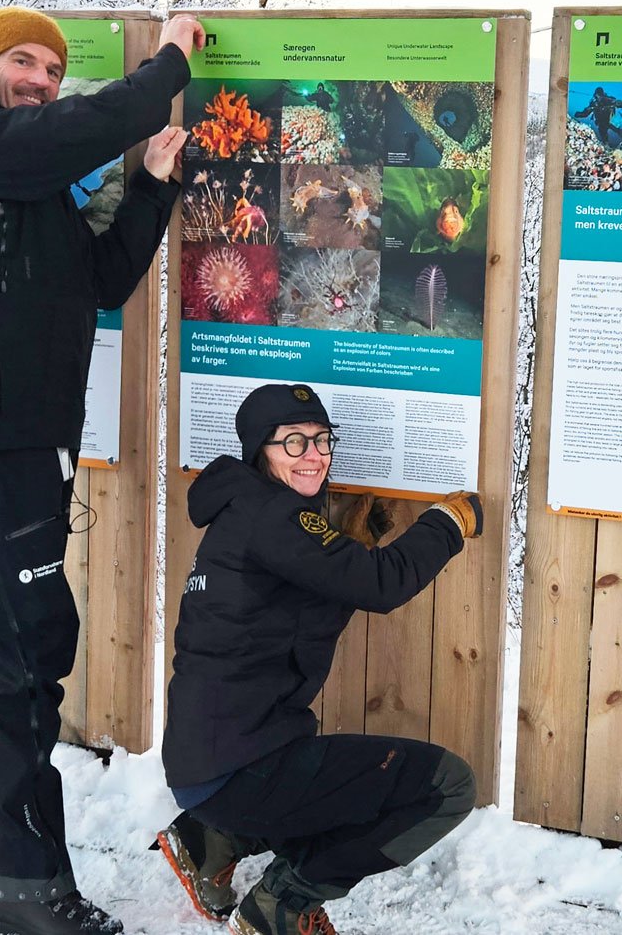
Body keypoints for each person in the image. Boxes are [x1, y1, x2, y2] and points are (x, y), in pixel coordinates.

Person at [0, 7, 205, 935]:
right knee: (28, 646)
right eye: (23, 60)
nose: (41, 79)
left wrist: (150, 187)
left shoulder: (19, 180)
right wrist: (170, 60)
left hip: (18, 434)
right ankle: (23, 891)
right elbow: (86, 126)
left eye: (54, 70)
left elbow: (98, 280)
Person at [154, 383, 482, 935]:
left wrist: (344, 550)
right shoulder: (274, 517)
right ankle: (284, 902)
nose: (314, 455)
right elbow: (382, 585)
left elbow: (297, 619)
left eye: (322, 439)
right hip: (242, 768)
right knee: (448, 786)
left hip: (210, 764)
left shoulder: (243, 512)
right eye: (293, 442)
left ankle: (212, 838)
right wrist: (447, 523)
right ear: (260, 451)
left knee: (333, 784)